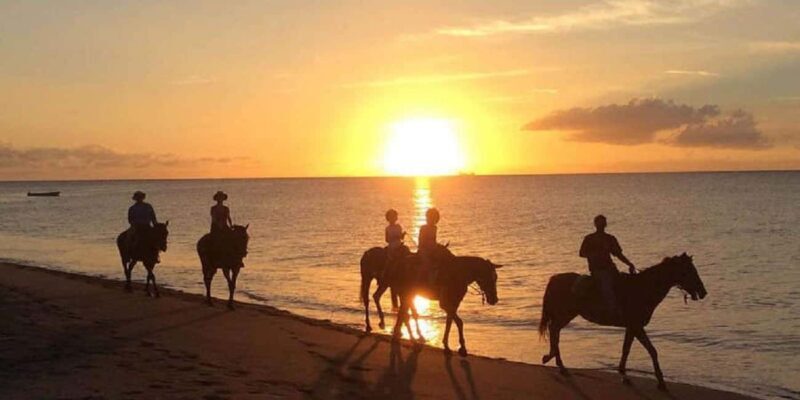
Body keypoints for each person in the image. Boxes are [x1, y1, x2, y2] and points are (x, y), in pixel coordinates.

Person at [579, 215, 636, 318]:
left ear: (605, 224)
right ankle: (612, 310)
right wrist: (595, 253)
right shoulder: (589, 239)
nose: (601, 225)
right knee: (607, 286)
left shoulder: (610, 239)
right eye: (599, 223)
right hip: (598, 269)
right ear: (595, 224)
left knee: (624, 283)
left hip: (611, 268)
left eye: (603, 223)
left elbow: (618, 254)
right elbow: (582, 253)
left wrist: (629, 264)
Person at [418, 207, 440, 287]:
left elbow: (434, 240)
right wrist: (426, 248)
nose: (431, 220)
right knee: (427, 263)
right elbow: (421, 241)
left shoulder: (435, 228)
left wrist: (437, 246)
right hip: (424, 249)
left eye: (434, 218)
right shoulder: (423, 228)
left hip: (433, 249)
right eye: (430, 218)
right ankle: (428, 282)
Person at [383, 209, 406, 280]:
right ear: (388, 218)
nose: (393, 218)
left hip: (399, 245)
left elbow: (401, 238)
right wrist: (394, 238)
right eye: (391, 217)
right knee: (392, 259)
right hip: (392, 246)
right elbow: (386, 240)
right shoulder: (387, 228)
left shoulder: (399, 226)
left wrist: (403, 234)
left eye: (394, 216)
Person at [210, 191, 233, 255]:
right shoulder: (213, 208)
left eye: (221, 197)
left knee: (233, 237)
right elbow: (213, 218)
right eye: (219, 197)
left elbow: (229, 217)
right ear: (216, 199)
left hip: (225, 225)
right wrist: (218, 224)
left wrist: (231, 225)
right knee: (215, 239)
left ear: (223, 199)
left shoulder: (226, 208)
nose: (220, 199)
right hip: (215, 226)